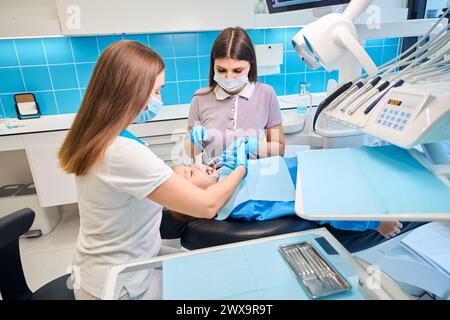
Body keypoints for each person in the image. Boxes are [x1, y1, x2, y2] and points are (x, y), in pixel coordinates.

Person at [58, 40, 248, 300]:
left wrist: (182, 174)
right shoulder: (120, 151)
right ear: (131, 92)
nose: (160, 99)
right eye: (157, 91)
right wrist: (240, 168)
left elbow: (141, 183)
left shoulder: (102, 135)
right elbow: (206, 206)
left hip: (111, 265)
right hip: (116, 286)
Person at [171, 160, 404, 240]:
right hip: (321, 187)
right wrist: (374, 223)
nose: (195, 165)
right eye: (191, 173)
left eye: (189, 166)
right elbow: (321, 206)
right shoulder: (244, 203)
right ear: (197, 198)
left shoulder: (226, 174)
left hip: (315, 168)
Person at [185, 27, 285, 163]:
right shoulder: (200, 98)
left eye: (237, 70)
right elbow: (190, 152)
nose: (229, 77)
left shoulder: (266, 94)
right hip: (215, 179)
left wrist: (254, 147)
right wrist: (194, 142)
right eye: (221, 70)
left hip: (255, 176)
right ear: (213, 65)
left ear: (251, 65)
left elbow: (279, 149)